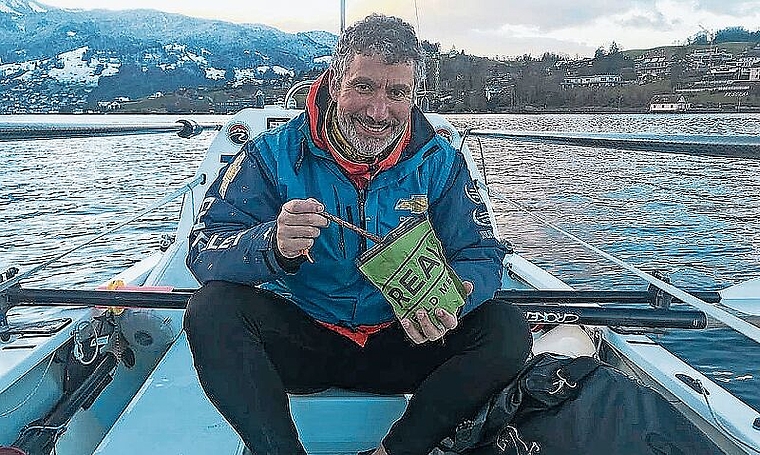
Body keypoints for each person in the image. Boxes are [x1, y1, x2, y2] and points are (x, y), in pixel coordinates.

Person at [183, 13, 532, 455]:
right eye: (363, 86)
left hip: (407, 339)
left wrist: (454, 299)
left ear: (413, 96)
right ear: (334, 82)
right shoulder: (270, 154)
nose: (377, 111)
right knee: (211, 309)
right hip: (306, 338)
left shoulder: (441, 162)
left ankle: (398, 450)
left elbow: (480, 253)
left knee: (506, 328)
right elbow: (205, 246)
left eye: (396, 93)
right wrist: (270, 244)